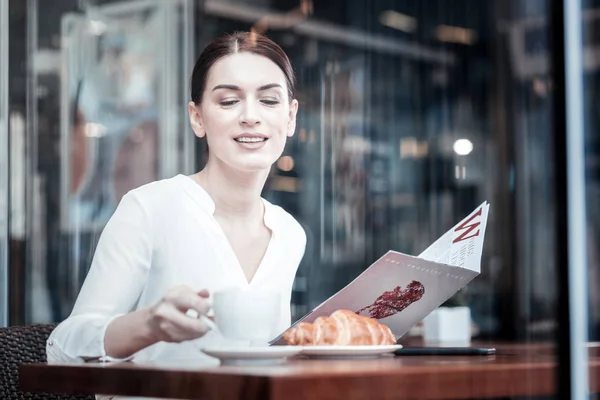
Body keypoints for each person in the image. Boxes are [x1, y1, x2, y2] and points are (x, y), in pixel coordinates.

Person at [46, 31, 306, 371]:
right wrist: (149, 325)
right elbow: (62, 349)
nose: (250, 116)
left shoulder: (289, 233)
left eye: (269, 101)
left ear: (290, 117)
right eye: (229, 101)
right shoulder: (149, 208)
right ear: (197, 118)